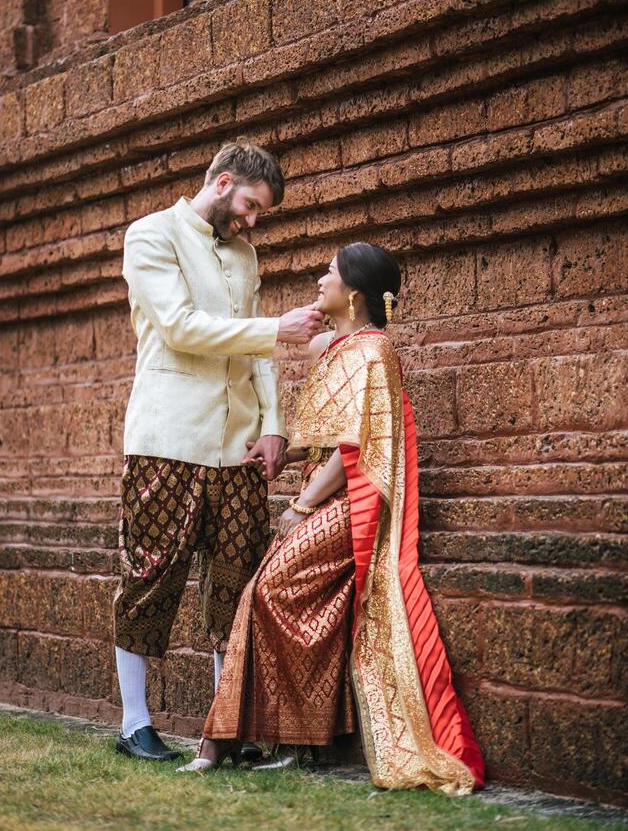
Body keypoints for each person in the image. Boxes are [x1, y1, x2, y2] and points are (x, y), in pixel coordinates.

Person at [179, 242, 486, 794]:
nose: (320, 276)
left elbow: (354, 451)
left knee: (265, 589)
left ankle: (222, 742)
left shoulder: (372, 352)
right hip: (326, 494)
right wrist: (281, 450)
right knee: (282, 599)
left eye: (331, 273)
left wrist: (300, 508)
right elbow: (323, 428)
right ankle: (295, 744)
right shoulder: (347, 346)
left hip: (351, 506)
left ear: (356, 292)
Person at [113, 138, 325, 762]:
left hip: (237, 447)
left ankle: (224, 728)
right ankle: (133, 723)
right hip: (166, 439)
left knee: (235, 584)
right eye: (251, 206)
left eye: (260, 214)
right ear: (223, 181)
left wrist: (275, 426)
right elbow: (179, 328)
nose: (252, 221)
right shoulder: (150, 235)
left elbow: (256, 351)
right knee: (149, 575)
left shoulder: (245, 256)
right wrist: (274, 329)